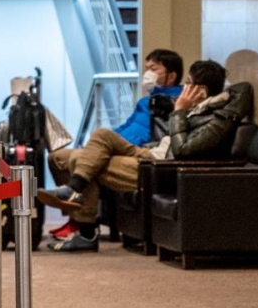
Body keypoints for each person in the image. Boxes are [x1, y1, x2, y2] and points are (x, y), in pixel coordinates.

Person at [37, 60, 253, 251]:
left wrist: (179, 111)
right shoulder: (199, 108)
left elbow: (182, 150)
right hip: (151, 151)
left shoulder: (217, 121)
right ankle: (73, 191)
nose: (184, 89)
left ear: (201, 90)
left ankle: (85, 231)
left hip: (158, 165)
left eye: (188, 83)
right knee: (95, 138)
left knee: (83, 163)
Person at [47, 48, 185, 241]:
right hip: (117, 147)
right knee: (57, 158)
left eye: (153, 69)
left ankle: (84, 226)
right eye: (146, 68)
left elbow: (150, 136)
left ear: (171, 76)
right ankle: (74, 215)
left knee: (81, 158)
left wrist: (108, 145)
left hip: (136, 150)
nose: (148, 74)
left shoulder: (175, 102)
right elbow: (126, 127)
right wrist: (98, 146)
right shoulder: (145, 101)